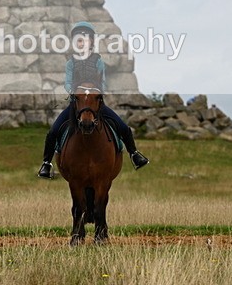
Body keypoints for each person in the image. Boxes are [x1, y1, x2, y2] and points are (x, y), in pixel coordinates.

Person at [38, 22, 149, 178]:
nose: (82, 43)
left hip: (95, 104)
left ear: (91, 42)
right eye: (79, 40)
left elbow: (103, 82)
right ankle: (46, 164)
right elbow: (68, 83)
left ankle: (134, 154)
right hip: (77, 105)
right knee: (53, 131)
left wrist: (95, 92)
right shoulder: (71, 63)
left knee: (123, 128)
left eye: (86, 40)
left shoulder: (98, 62)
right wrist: (76, 92)